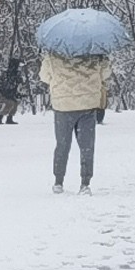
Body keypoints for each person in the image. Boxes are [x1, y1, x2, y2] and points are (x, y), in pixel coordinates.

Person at [40, 46, 112, 192]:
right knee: (87, 146)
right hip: (88, 105)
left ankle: (58, 182)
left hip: (63, 106)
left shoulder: (53, 54)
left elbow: (44, 77)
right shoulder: (95, 52)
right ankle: (85, 183)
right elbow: (105, 74)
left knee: (62, 145)